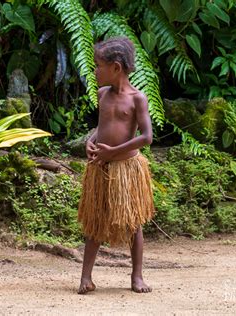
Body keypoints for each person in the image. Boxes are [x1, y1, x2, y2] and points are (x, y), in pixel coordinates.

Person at [77, 36, 155, 294]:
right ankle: (86, 277)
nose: (95, 71)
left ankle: (137, 276)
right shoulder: (102, 95)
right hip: (101, 166)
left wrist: (114, 152)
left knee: (133, 223)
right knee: (95, 220)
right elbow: (101, 128)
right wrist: (90, 141)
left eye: (98, 66)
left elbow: (146, 137)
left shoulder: (137, 99)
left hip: (126, 169)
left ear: (116, 68)